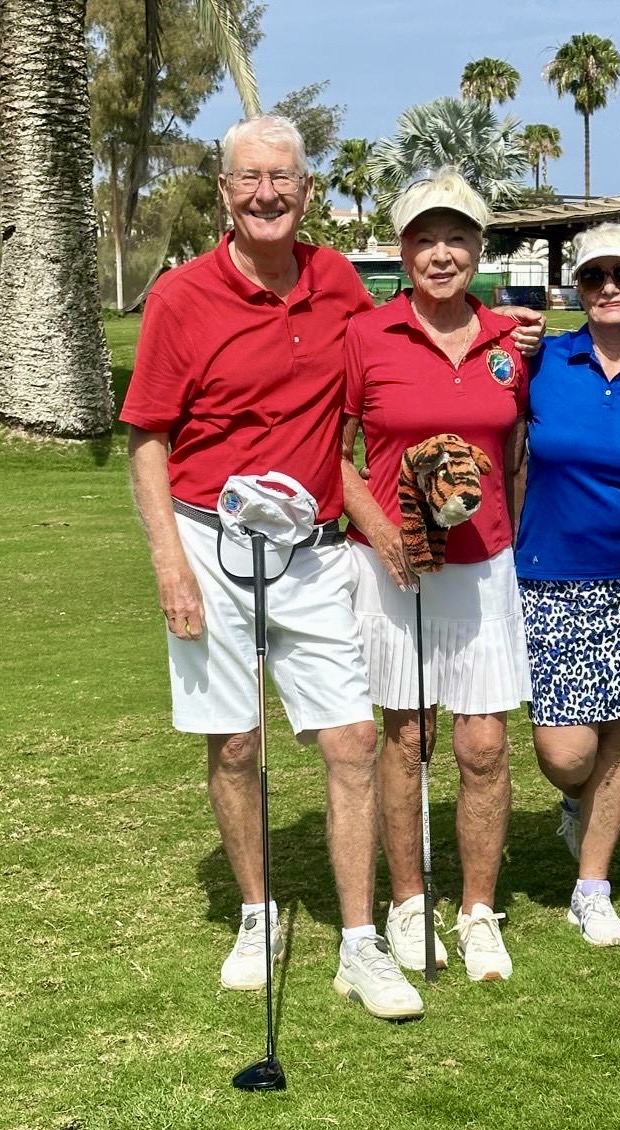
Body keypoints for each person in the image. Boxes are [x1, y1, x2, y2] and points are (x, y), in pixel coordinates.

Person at [121, 114, 429, 1022]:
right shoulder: (181, 297)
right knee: (236, 742)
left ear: (306, 190)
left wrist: (506, 341)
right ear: (225, 192)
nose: (266, 194)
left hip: (313, 549)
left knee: (352, 740)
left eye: (282, 179)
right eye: (249, 179)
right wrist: (169, 565)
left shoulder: (339, 283)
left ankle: (360, 942)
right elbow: (148, 440)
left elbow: (395, 364)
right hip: (209, 543)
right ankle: (258, 916)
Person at [342, 169, 532, 985]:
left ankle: (478, 910)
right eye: (426, 239)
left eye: (458, 238)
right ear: (404, 250)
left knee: (483, 744)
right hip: (395, 566)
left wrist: (514, 540)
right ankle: (409, 903)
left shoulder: (510, 341)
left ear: (479, 249)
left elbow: (516, 453)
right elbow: (332, 453)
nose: (442, 254)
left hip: (483, 564)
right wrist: (383, 531)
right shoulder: (367, 335)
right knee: (409, 736)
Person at [514, 223, 620, 946]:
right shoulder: (542, 360)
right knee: (567, 755)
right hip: (546, 577)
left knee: (619, 742)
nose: (611, 287)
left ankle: (593, 887)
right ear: (576, 289)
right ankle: (574, 807)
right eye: (594, 276)